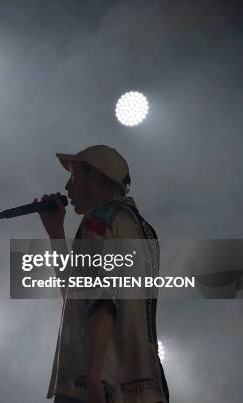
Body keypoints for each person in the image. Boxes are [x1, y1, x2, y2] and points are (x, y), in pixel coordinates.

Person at [37, 145, 169, 403]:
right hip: (145, 388)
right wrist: (56, 233)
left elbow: (102, 299)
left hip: (93, 386)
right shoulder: (144, 230)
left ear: (94, 178)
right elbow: (79, 294)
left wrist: (93, 375)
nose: (67, 188)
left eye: (74, 177)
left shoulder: (98, 221)